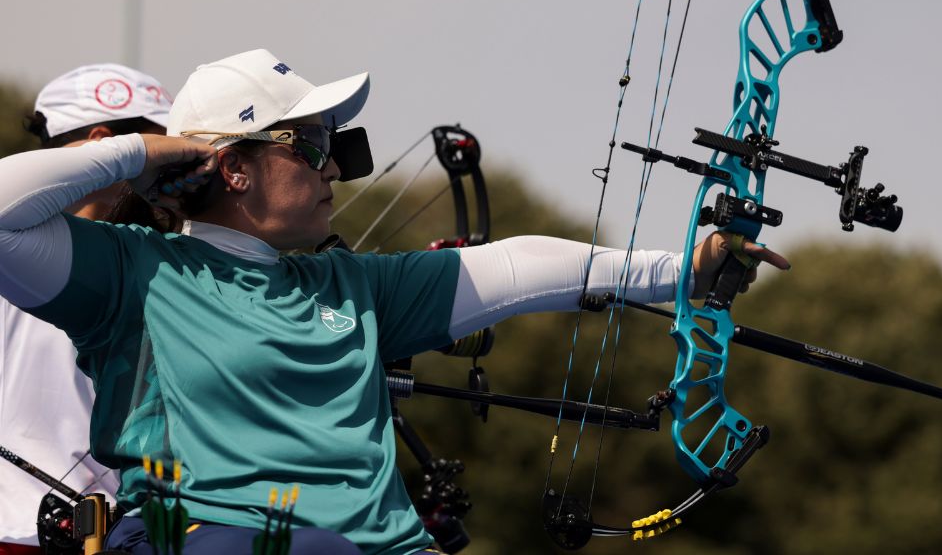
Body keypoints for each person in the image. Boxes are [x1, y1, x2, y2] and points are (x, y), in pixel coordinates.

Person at [0, 49, 788, 555]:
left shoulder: (355, 287)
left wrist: (680, 270)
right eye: (310, 145)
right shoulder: (132, 273)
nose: (333, 170)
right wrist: (148, 152)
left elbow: (518, 266)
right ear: (232, 168)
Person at [0, 64, 173, 554]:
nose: (172, 165)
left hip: (110, 534)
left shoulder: (147, 254)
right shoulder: (15, 247)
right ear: (104, 145)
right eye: (159, 147)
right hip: (22, 534)